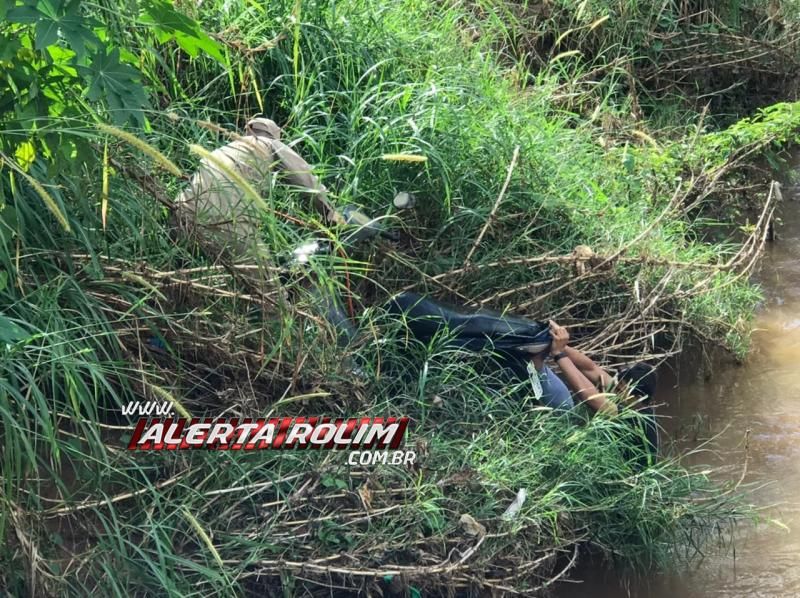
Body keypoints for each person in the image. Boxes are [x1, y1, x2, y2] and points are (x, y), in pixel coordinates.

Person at [531, 320, 659, 460]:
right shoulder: (633, 399)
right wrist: (557, 343)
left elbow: (587, 395)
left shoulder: (636, 420)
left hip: (629, 477)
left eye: (620, 387)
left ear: (636, 395)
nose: (616, 387)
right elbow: (590, 368)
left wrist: (558, 354)